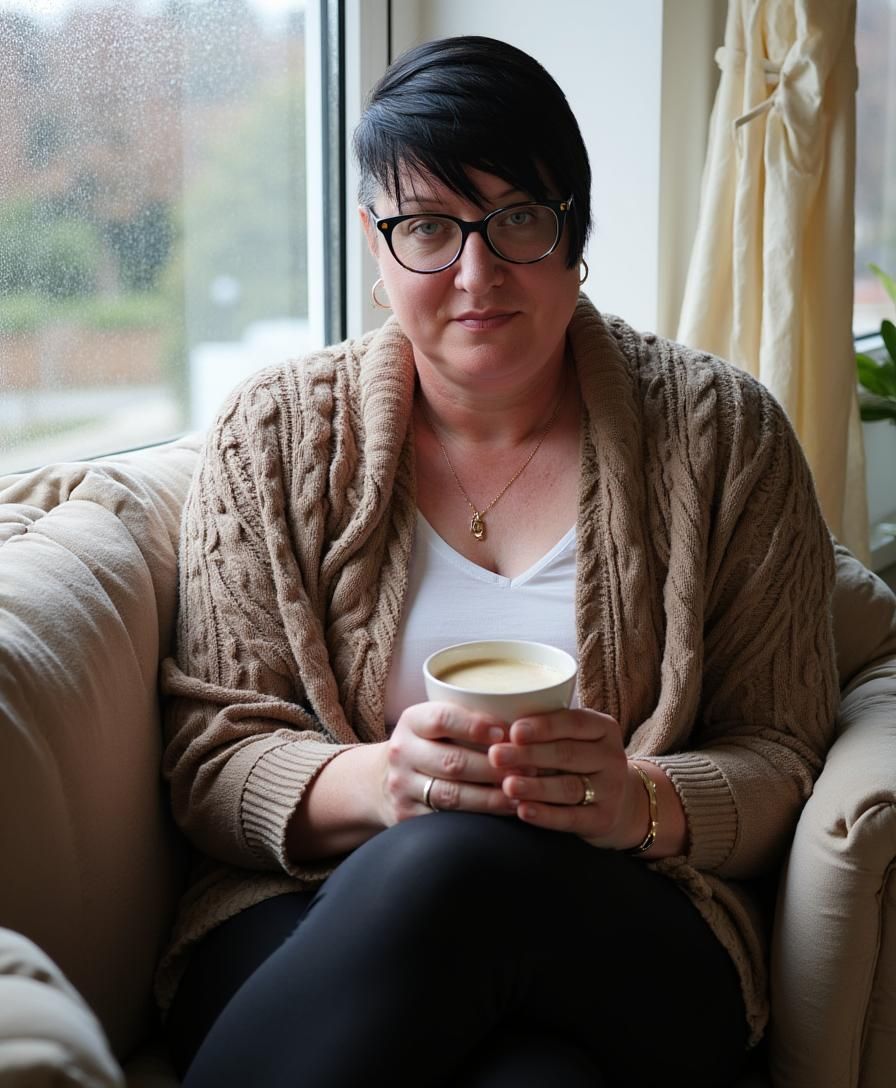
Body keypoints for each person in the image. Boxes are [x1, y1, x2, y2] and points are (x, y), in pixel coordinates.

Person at [157, 35, 838, 1088]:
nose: (476, 274)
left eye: (518, 217)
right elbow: (213, 756)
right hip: (313, 921)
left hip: (628, 929)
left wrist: (636, 801)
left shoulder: (725, 435)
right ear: (374, 245)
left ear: (574, 229)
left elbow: (783, 753)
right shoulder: (272, 436)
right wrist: (380, 783)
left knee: (466, 868)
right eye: (428, 226)